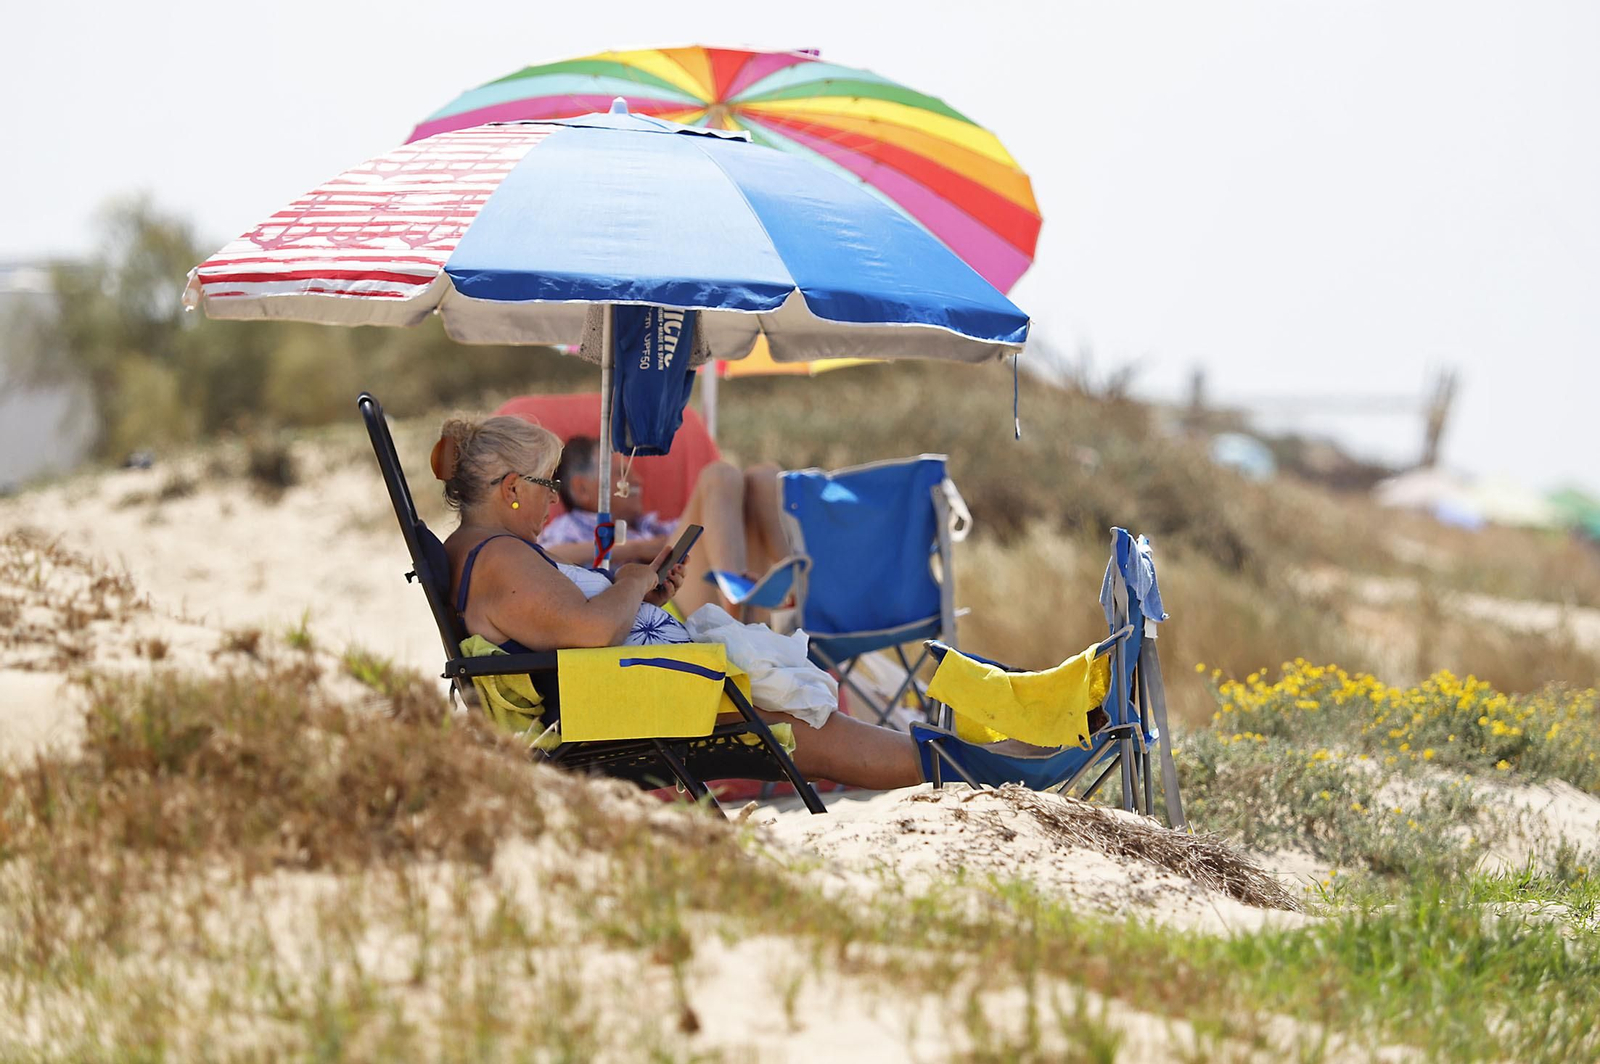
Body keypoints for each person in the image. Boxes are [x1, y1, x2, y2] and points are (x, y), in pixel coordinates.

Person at [431, 412, 929, 790]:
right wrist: (628, 581)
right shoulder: (499, 558)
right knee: (807, 728)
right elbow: (590, 632)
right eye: (548, 484)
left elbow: (569, 621)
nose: (553, 499)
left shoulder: (480, 550)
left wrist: (641, 589)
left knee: (806, 723)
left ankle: (943, 756)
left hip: (629, 689)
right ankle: (946, 761)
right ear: (514, 488)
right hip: (625, 703)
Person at [537, 436, 790, 619]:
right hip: (658, 611)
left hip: (702, 596)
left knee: (764, 476)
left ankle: (800, 588)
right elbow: (545, 559)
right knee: (719, 476)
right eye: (621, 474)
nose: (637, 480)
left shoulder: (650, 525)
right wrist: (637, 548)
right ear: (581, 489)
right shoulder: (569, 527)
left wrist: (655, 544)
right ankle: (734, 600)